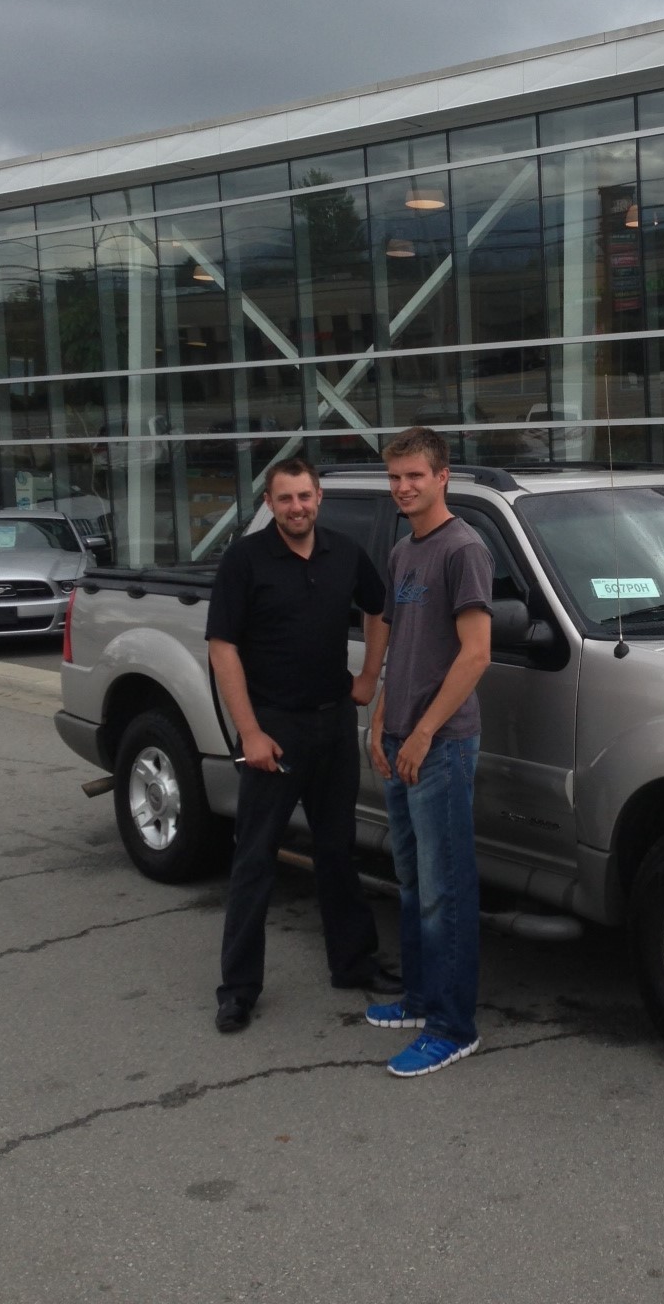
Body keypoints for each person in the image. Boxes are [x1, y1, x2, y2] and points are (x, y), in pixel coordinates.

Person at [207, 456, 396, 1033]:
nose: (297, 508)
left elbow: (379, 607)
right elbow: (223, 648)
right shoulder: (245, 560)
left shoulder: (344, 552)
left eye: (305, 497)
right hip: (274, 729)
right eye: (285, 498)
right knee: (255, 858)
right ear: (269, 503)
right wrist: (250, 731)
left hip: (333, 721)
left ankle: (353, 961)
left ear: (320, 498)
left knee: (338, 850)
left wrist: (367, 677)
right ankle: (238, 989)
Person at [365, 427, 493, 1078]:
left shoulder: (462, 549)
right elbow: (402, 645)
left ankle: (452, 1026)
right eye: (395, 477)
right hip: (402, 739)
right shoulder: (401, 554)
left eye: (415, 475)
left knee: (446, 890)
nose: (404, 487)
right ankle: (419, 1000)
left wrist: (420, 733)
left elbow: (476, 654)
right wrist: (385, 718)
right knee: (412, 882)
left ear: (443, 477)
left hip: (440, 747)